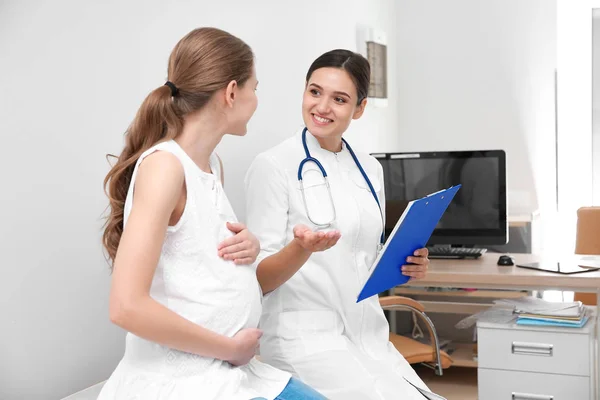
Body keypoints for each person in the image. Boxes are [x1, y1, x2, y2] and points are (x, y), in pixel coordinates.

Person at [98, 27, 325, 400]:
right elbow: (125, 306)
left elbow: (208, 274)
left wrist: (269, 254)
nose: (256, 99)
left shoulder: (207, 168)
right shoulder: (165, 168)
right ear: (232, 93)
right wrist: (230, 349)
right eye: (255, 87)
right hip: (185, 381)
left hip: (230, 372)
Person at [243, 49, 438, 400]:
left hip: (368, 332)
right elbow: (258, 277)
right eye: (315, 92)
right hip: (304, 338)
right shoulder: (273, 165)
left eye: (340, 99)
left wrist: (406, 264)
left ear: (359, 108)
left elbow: (363, 254)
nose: (322, 107)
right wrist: (300, 249)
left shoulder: (369, 168)